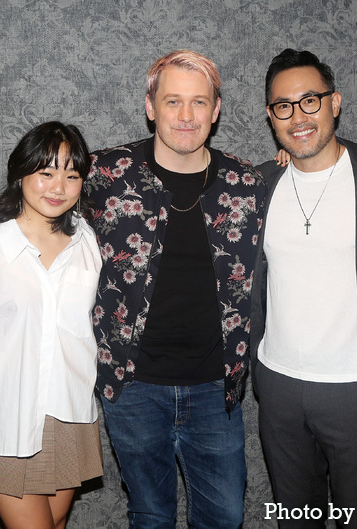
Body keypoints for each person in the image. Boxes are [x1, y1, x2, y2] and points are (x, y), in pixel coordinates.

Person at [84, 50, 265, 528]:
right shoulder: (104, 174)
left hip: (215, 388)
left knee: (224, 516)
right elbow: (37, 204)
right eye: (173, 102)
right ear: (150, 106)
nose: (186, 116)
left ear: (217, 109)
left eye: (199, 102)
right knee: (150, 514)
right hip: (134, 386)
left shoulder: (246, 182)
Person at [249, 48, 357, 529]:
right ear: (270, 115)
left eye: (310, 101)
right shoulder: (259, 184)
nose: (298, 116)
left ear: (335, 102)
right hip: (278, 389)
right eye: (283, 106)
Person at [0, 122, 103, 529]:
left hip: (69, 411)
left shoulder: (87, 242)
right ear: (21, 173)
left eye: (72, 175)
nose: (58, 186)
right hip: (5, 415)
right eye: (46, 172)